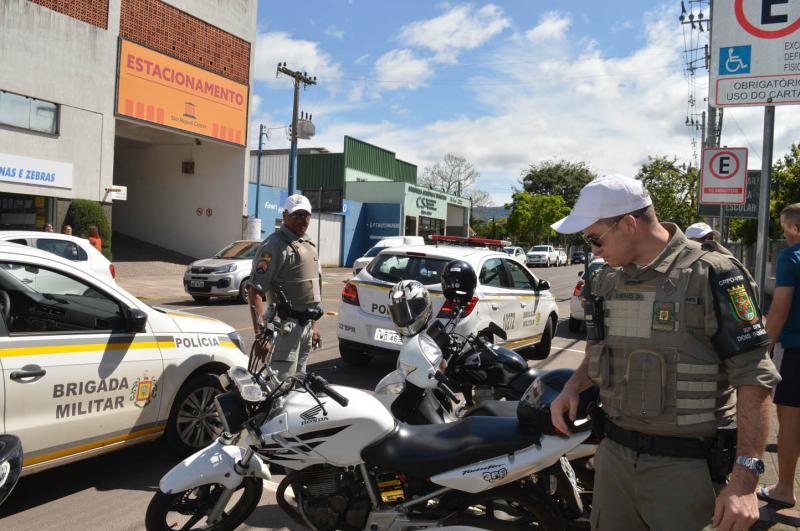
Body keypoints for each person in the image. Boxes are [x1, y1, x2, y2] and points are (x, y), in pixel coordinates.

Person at [548, 175, 780, 531]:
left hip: (686, 472)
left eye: (595, 237)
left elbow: (755, 377)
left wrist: (745, 481)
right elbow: (599, 348)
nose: (592, 249)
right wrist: (572, 387)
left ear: (629, 224)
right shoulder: (605, 280)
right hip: (615, 462)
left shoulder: (713, 274)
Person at [247, 194, 322, 380]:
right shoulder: (275, 245)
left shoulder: (308, 244)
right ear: (285, 215)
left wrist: (314, 326)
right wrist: (260, 335)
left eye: (305, 215)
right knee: (278, 388)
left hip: (305, 329)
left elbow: (312, 289)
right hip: (285, 328)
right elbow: (255, 290)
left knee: (297, 387)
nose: (301, 220)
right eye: (296, 215)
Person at [758, 203, 800, 510]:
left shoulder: (791, 256)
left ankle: (785, 489)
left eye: (784, 228)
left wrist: (765, 347)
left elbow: (780, 309)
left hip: (796, 349)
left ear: (793, 228)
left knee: (790, 420)